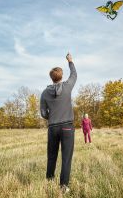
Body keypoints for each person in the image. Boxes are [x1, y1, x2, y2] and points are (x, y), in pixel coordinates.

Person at [40, 53, 77, 192]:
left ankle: (49, 181)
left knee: (51, 156)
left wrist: (52, 116)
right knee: (66, 158)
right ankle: (63, 186)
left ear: (51, 77)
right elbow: (74, 75)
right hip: (67, 127)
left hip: (53, 128)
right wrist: (70, 61)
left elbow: (43, 113)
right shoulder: (67, 86)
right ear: (61, 76)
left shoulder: (44, 93)